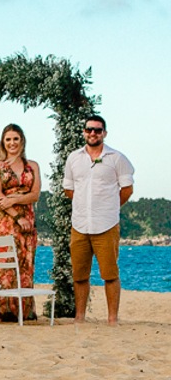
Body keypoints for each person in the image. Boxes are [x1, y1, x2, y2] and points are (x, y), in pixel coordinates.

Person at [62, 114, 135, 324]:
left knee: (110, 274)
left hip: (107, 224)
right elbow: (69, 189)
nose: (93, 133)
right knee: (79, 274)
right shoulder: (74, 158)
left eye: (97, 130)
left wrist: (108, 207)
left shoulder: (117, 158)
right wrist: (84, 206)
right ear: (84, 132)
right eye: (89, 129)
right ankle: (79, 317)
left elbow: (127, 189)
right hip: (80, 225)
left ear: (104, 133)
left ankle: (112, 318)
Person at [0, 124, 42, 322]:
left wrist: (15, 199)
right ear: (3, 142)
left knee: (25, 262)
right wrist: (17, 215)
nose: (12, 143)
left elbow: (35, 194)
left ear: (22, 140)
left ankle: (22, 310)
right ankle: (1, 309)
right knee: (3, 263)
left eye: (15, 139)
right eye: (8, 139)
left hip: (27, 218)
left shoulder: (32, 165)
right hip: (5, 220)